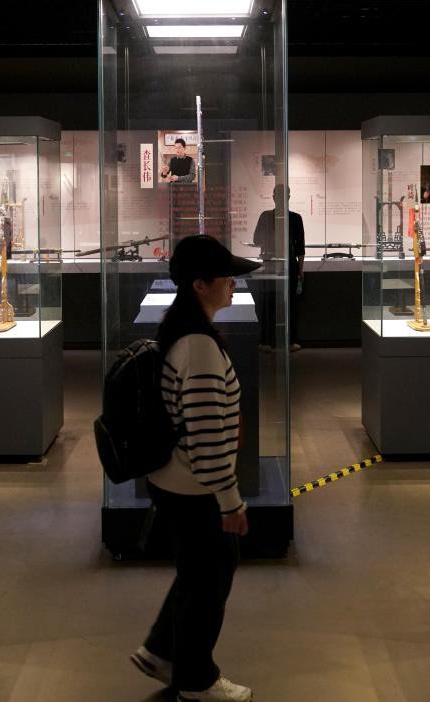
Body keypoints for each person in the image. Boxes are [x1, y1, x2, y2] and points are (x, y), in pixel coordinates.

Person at [130, 235, 259, 702]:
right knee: (209, 582)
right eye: (226, 277)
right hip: (195, 489)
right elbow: (207, 438)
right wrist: (231, 502)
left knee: (197, 574)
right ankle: (196, 681)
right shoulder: (199, 347)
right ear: (200, 284)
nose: (233, 284)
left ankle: (162, 651)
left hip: (177, 482)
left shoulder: (185, 332)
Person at [251, 185, 306, 351]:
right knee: (282, 304)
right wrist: (300, 270)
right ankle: (282, 341)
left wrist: (300, 269)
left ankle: (268, 341)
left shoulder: (268, 216)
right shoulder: (293, 218)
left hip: (274, 264)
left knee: (274, 303)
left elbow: (256, 240)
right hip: (279, 264)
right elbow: (300, 248)